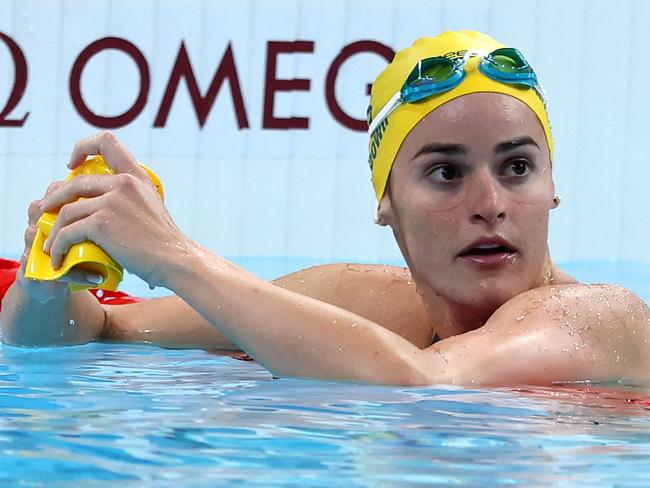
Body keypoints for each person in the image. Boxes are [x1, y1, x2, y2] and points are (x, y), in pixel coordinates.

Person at [0, 31, 648, 386]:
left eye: (517, 167)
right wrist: (49, 277)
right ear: (385, 205)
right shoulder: (358, 302)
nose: (490, 204)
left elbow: (429, 386)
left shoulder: (595, 316)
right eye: (446, 173)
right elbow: (96, 335)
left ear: (553, 187)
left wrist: (173, 255)